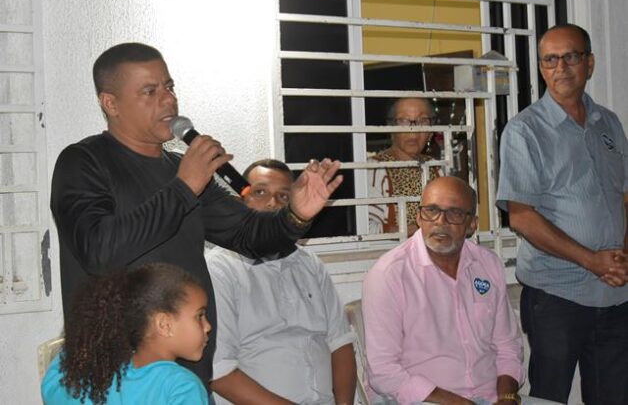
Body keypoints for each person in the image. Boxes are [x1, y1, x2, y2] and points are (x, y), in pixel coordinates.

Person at [50, 43, 343, 388]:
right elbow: (99, 252)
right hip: (117, 379)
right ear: (110, 103)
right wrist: (184, 187)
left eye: (169, 87)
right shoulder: (83, 162)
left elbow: (250, 235)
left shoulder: (181, 169)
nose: (168, 100)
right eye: (150, 91)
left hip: (187, 372)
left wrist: (295, 214)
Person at [496, 23, 628, 404]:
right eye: (550, 60)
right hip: (556, 296)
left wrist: (621, 257)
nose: (561, 67)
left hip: (615, 294)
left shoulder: (609, 123)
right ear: (541, 68)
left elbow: (624, 198)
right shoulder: (524, 131)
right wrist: (592, 260)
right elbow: (521, 217)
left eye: (571, 56)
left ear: (590, 63)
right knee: (549, 399)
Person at [363, 176, 526, 405]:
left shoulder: (488, 265)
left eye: (455, 213)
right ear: (419, 217)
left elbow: (507, 346)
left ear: (472, 224)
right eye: (431, 210)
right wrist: (458, 402)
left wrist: (507, 397)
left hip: (489, 397)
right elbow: (383, 371)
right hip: (423, 401)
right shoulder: (389, 274)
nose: (441, 221)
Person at [207, 159, 357, 405]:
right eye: (260, 192)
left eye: (284, 196)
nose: (272, 203)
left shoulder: (309, 264)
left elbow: (340, 344)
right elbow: (219, 372)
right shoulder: (219, 269)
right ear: (238, 202)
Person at [41, 263, 211, 405]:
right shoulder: (182, 387)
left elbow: (53, 387)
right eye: (200, 316)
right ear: (164, 325)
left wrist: (84, 340)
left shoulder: (103, 379)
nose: (208, 326)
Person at [368, 97, 439, 236]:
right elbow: (368, 231)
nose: (413, 129)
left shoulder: (436, 167)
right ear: (391, 127)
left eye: (422, 120)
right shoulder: (375, 168)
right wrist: (417, 230)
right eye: (403, 120)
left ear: (431, 131)